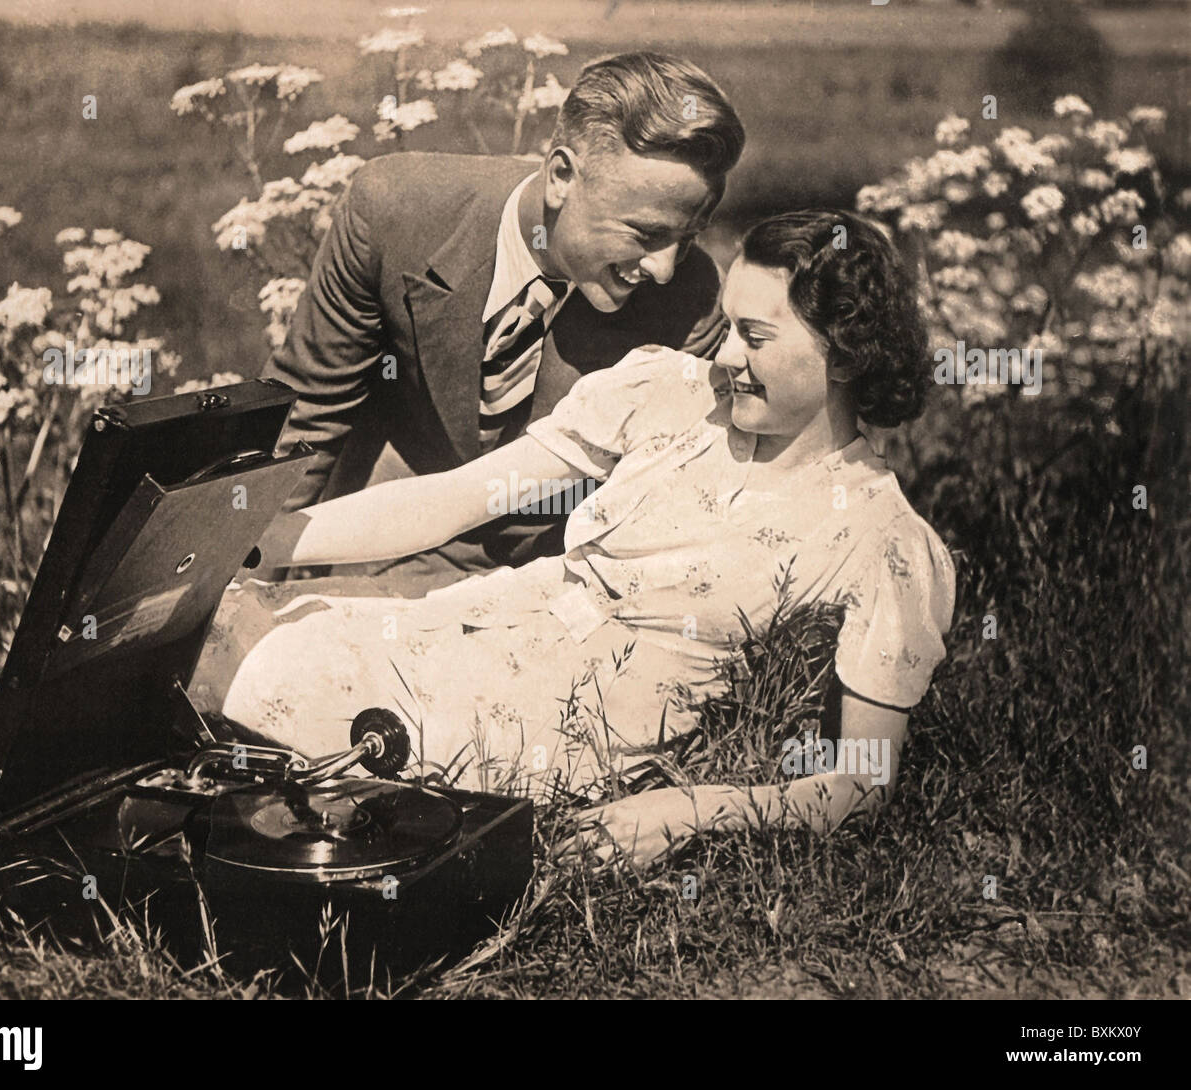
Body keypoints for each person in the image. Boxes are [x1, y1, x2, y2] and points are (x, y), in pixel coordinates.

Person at [192, 210, 956, 867]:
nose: (724, 357)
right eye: (727, 326)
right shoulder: (666, 393)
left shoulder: (880, 537)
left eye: (754, 337)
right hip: (466, 627)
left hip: (549, 723)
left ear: (846, 354)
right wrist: (253, 544)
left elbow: (862, 785)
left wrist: (688, 812)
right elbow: (454, 500)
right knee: (214, 614)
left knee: (254, 675)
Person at [262, 52, 745, 582]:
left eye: (688, 237)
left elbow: (656, 505)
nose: (666, 268)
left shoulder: (691, 299)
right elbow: (306, 411)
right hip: (372, 542)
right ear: (562, 176)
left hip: (550, 579)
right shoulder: (393, 211)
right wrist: (241, 569)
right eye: (647, 234)